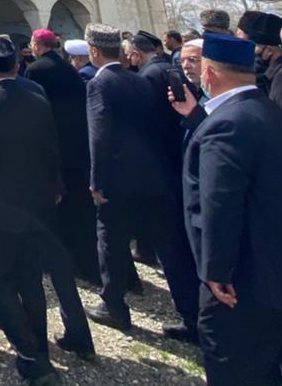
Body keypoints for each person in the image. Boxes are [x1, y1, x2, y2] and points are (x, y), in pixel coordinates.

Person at [174, 34, 282, 385]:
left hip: (246, 281)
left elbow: (219, 205)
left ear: (210, 74)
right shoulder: (269, 112)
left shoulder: (224, 126)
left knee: (239, 367)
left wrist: (216, 270)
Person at [0, 37, 94, 385]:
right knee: (29, 277)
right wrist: (56, 187)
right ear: (18, 65)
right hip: (37, 204)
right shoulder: (36, 95)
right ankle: (41, 353)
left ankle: (32, 355)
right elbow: (51, 146)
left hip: (0, 206)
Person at [83, 22, 199, 338]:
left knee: (109, 239)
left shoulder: (100, 84)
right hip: (155, 178)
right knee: (172, 251)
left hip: (120, 182)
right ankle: (194, 319)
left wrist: (98, 181)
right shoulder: (139, 80)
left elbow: (100, 135)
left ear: (93, 51)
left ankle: (114, 306)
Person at [25, 28, 99, 285]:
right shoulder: (70, 69)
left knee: (54, 206)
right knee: (79, 206)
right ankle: (87, 261)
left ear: (37, 45)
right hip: (77, 145)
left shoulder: (36, 71)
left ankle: (56, 258)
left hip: (52, 146)